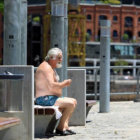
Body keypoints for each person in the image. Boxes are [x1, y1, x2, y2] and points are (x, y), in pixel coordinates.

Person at [35, 47, 77, 136]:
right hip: (43, 98)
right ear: (51, 57)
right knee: (70, 104)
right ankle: (60, 128)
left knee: (74, 101)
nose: (61, 60)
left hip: (50, 97)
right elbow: (51, 84)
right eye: (59, 57)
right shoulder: (46, 67)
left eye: (61, 57)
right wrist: (64, 84)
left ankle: (65, 126)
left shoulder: (50, 67)